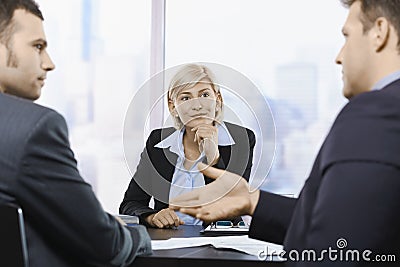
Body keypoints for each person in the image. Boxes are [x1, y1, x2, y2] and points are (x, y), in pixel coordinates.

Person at [171, 0, 400, 265]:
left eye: (347, 36)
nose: (339, 55)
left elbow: (335, 250)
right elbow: (349, 224)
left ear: (380, 31)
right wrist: (253, 201)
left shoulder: (377, 111)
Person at [0, 1, 151, 266]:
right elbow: (105, 245)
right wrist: (137, 235)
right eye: (37, 47)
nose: (49, 64)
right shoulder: (34, 128)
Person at [120, 64, 255, 228]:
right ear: (173, 107)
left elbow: (235, 205)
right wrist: (152, 217)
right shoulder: (157, 142)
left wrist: (213, 159)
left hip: (220, 244)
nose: (197, 105)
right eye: (185, 98)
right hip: (169, 242)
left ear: (218, 100)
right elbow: (130, 204)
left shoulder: (241, 139)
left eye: (204, 95)